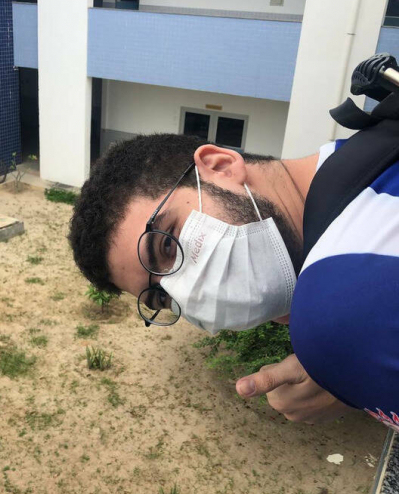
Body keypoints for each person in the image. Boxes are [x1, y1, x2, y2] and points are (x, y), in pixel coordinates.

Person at [69, 133, 399, 432]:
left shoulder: (339, 310)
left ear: (220, 166)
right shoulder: (372, 152)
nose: (187, 291)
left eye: (167, 244)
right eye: (162, 298)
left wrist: (347, 376)